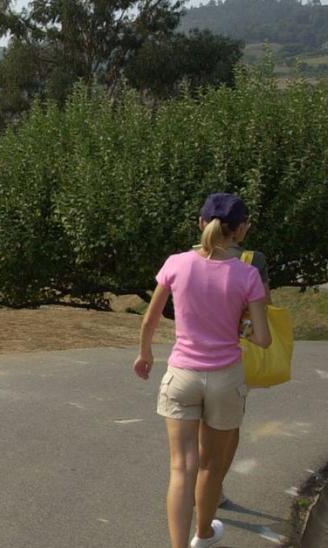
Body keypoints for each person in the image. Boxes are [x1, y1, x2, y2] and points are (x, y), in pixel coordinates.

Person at [134, 193, 272, 548]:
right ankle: (204, 533)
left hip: (182, 374)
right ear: (241, 230)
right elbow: (264, 338)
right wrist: (237, 328)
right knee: (210, 466)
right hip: (225, 378)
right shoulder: (248, 274)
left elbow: (151, 318)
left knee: (181, 468)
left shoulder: (176, 264)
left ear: (200, 224)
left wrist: (145, 354)